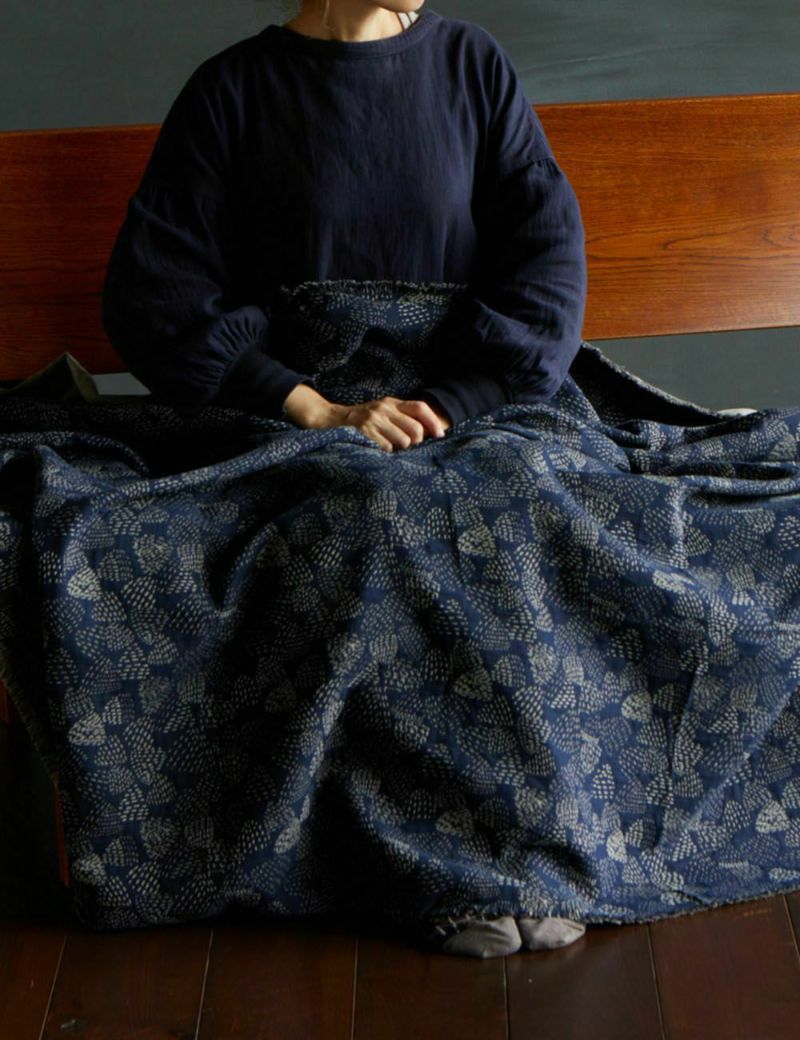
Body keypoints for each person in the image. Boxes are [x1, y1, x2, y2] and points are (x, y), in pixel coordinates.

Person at [101, 0, 589, 957]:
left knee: (515, 503)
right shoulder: (232, 91)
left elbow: (548, 259)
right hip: (299, 415)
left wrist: (452, 401)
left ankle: (534, 855)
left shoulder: (472, 64)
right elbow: (154, 295)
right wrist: (314, 408)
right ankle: (448, 874)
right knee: (378, 516)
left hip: (465, 403)